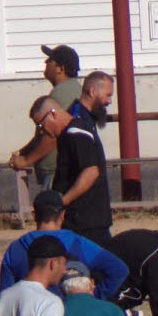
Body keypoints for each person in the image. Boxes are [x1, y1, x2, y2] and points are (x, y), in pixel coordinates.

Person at [0, 190, 128, 300]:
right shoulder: (78, 243)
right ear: (63, 214)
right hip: (71, 315)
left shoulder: (15, 248)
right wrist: (93, 298)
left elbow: (6, 294)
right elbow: (119, 270)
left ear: (34, 215)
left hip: (29, 315)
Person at [32, 96, 113, 245]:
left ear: (52, 114)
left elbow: (91, 172)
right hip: (78, 221)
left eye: (41, 125)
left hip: (87, 224)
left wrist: (63, 201)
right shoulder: (67, 135)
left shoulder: (76, 134)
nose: (41, 131)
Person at [9, 45, 83, 189]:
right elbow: (45, 132)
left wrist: (26, 160)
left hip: (57, 173)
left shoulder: (62, 93)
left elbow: (54, 135)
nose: (45, 62)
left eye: (50, 60)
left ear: (60, 68)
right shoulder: (70, 89)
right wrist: (24, 151)